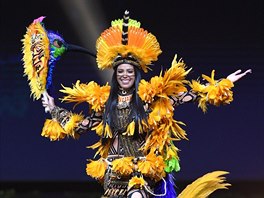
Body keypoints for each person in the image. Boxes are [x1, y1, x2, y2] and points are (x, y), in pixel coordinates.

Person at [40, 11, 251, 198]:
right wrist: (53, 109)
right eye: (120, 71)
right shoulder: (106, 103)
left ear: (136, 74)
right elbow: (83, 125)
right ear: (115, 75)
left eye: (129, 71)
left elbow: (188, 95)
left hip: (142, 172)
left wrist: (223, 83)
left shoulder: (150, 97)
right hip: (113, 174)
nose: (124, 75)